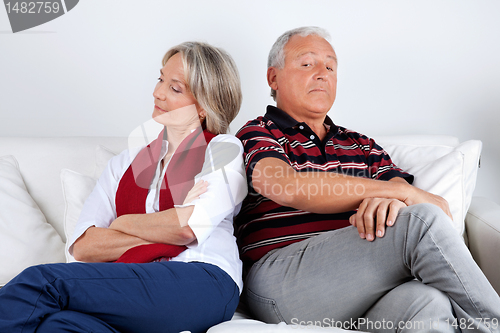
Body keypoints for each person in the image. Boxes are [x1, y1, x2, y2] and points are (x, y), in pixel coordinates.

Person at [235, 27, 500, 332]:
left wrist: (394, 196)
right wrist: (388, 193)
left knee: (428, 302)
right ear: (273, 78)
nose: (323, 73)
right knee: (420, 222)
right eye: (307, 64)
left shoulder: (361, 145)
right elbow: (284, 185)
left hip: (358, 288)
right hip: (282, 284)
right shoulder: (259, 131)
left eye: (331, 66)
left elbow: (403, 196)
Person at [0, 41, 247, 333]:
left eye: (175, 88)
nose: (157, 93)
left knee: (45, 281)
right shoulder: (125, 163)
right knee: (59, 324)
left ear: (204, 106)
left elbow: (188, 227)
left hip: (202, 279)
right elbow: (83, 247)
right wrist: (163, 226)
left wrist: (121, 223)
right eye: (160, 80)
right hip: (133, 281)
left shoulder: (223, 150)